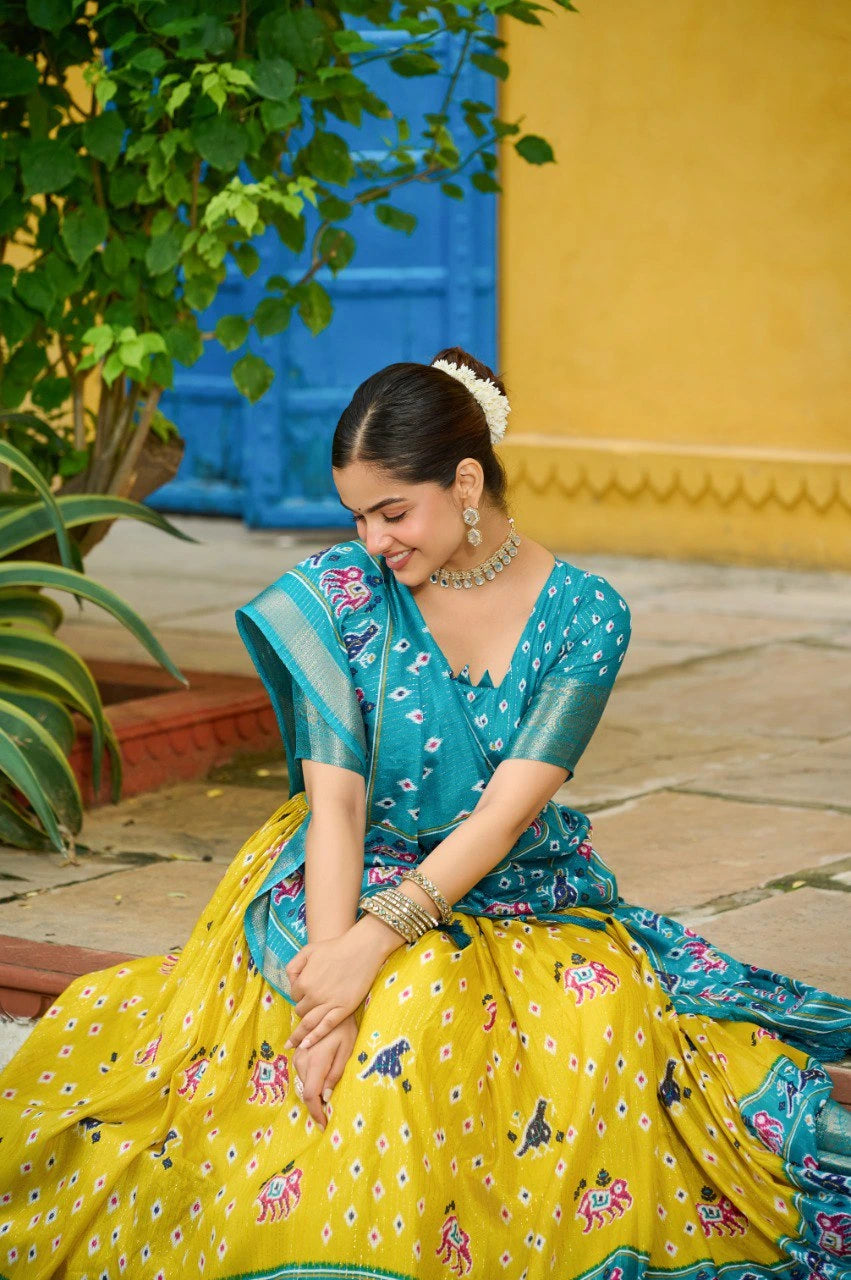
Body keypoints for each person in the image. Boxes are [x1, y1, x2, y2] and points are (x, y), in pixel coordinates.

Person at [0, 347, 849, 1280]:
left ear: (467, 480)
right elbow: (337, 800)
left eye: (392, 511)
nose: (372, 540)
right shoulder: (344, 595)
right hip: (338, 868)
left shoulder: (584, 617)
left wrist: (379, 940)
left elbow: (500, 816)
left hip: (510, 884)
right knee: (350, 1020)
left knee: (531, 1015)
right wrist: (330, 975)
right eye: (356, 515)